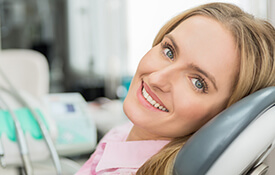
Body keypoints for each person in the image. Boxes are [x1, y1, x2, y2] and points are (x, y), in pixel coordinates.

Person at [76, 2, 275, 175]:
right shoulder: (124, 134)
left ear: (225, 116)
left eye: (198, 82)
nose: (156, 78)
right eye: (169, 51)